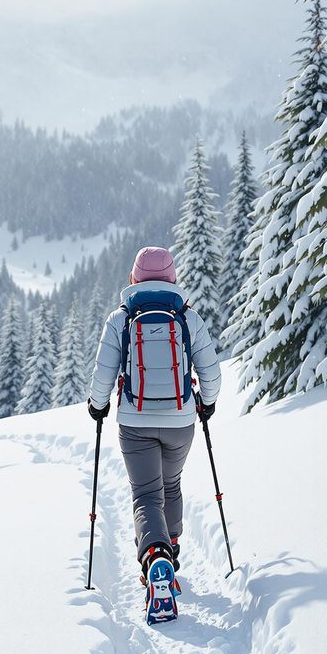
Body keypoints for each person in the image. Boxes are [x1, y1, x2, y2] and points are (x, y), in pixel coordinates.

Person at [86, 246, 220, 619]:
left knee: (146, 494)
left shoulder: (121, 318)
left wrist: (98, 405)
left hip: (135, 421)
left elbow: (103, 375)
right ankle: (170, 552)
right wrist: (205, 403)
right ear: (173, 278)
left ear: (134, 278)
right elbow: (211, 372)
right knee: (171, 484)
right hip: (181, 421)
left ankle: (155, 557)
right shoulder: (187, 317)